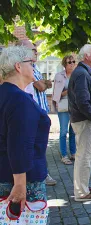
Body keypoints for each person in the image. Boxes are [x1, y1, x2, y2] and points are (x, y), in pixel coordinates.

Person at [0, 46, 50, 212]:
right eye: (31, 63)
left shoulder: (6, 93)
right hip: (21, 181)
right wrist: (20, 185)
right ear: (18, 66)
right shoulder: (19, 100)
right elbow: (19, 144)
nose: (34, 68)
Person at [16, 40, 57, 187]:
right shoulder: (25, 68)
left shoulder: (34, 67)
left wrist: (44, 83)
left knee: (40, 145)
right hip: (31, 114)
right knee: (35, 146)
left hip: (40, 111)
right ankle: (40, 175)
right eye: (33, 50)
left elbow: (45, 84)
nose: (36, 52)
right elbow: (41, 85)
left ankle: (40, 174)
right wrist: (44, 83)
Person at [68, 44, 91, 202]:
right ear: (86, 56)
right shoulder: (82, 73)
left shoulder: (83, 72)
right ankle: (81, 192)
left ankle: (83, 185)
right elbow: (82, 101)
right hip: (84, 120)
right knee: (85, 156)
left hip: (83, 119)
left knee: (84, 155)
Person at [52, 55, 76, 165]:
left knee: (73, 131)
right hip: (63, 104)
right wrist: (69, 90)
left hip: (75, 105)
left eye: (73, 62)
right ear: (64, 65)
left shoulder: (77, 75)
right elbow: (57, 94)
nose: (72, 64)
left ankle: (73, 153)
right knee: (63, 131)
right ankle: (64, 155)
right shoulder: (59, 76)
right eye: (69, 62)